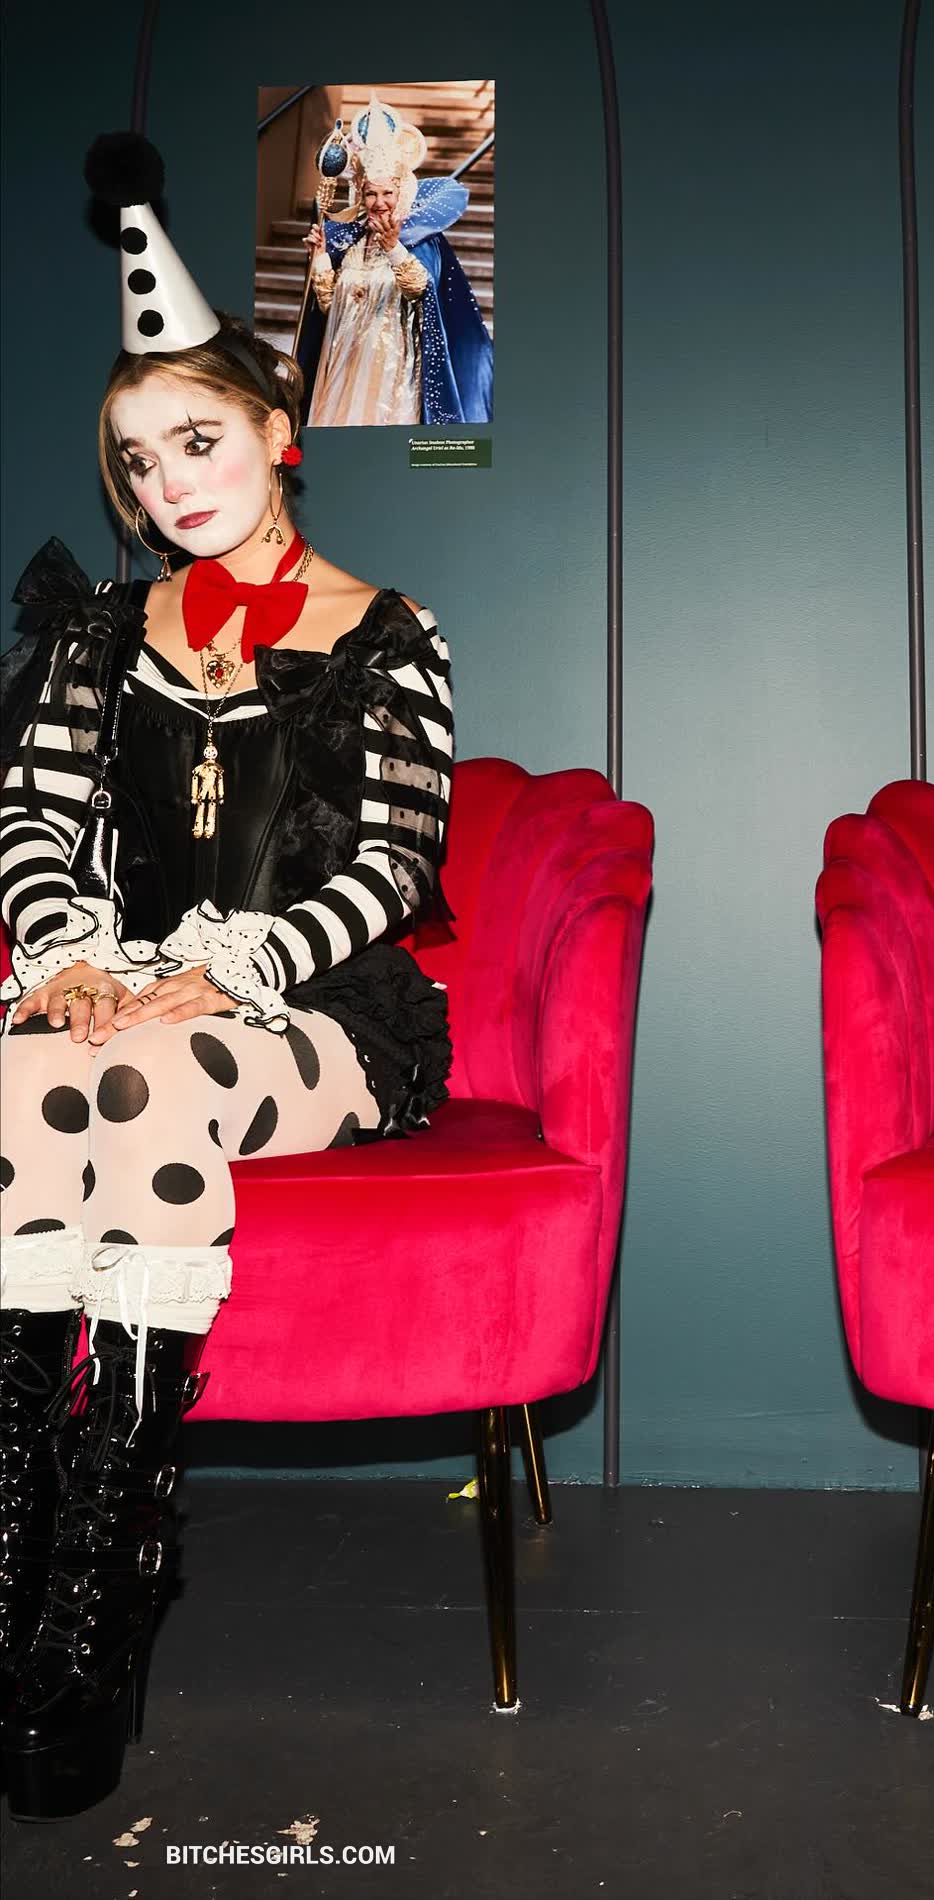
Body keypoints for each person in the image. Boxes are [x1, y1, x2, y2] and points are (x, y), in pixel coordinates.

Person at [0, 134, 455, 1820]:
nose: (170, 481)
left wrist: (234, 962)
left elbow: (392, 862)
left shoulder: (388, 632)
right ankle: (18, 1546)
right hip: (112, 994)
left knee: (150, 1074)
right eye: (140, 459)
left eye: (198, 439)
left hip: (316, 1016)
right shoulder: (91, 634)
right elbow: (32, 820)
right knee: (28, 1066)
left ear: (278, 435)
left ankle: (105, 1583)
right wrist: (70, 957)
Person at [297, 96, 493, 428]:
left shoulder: (422, 239)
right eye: (371, 193)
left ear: (401, 192)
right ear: (361, 195)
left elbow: (421, 290)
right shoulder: (351, 242)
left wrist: (393, 248)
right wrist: (321, 260)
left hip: (392, 375)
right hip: (343, 366)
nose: (379, 203)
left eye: (387, 193)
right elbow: (332, 306)